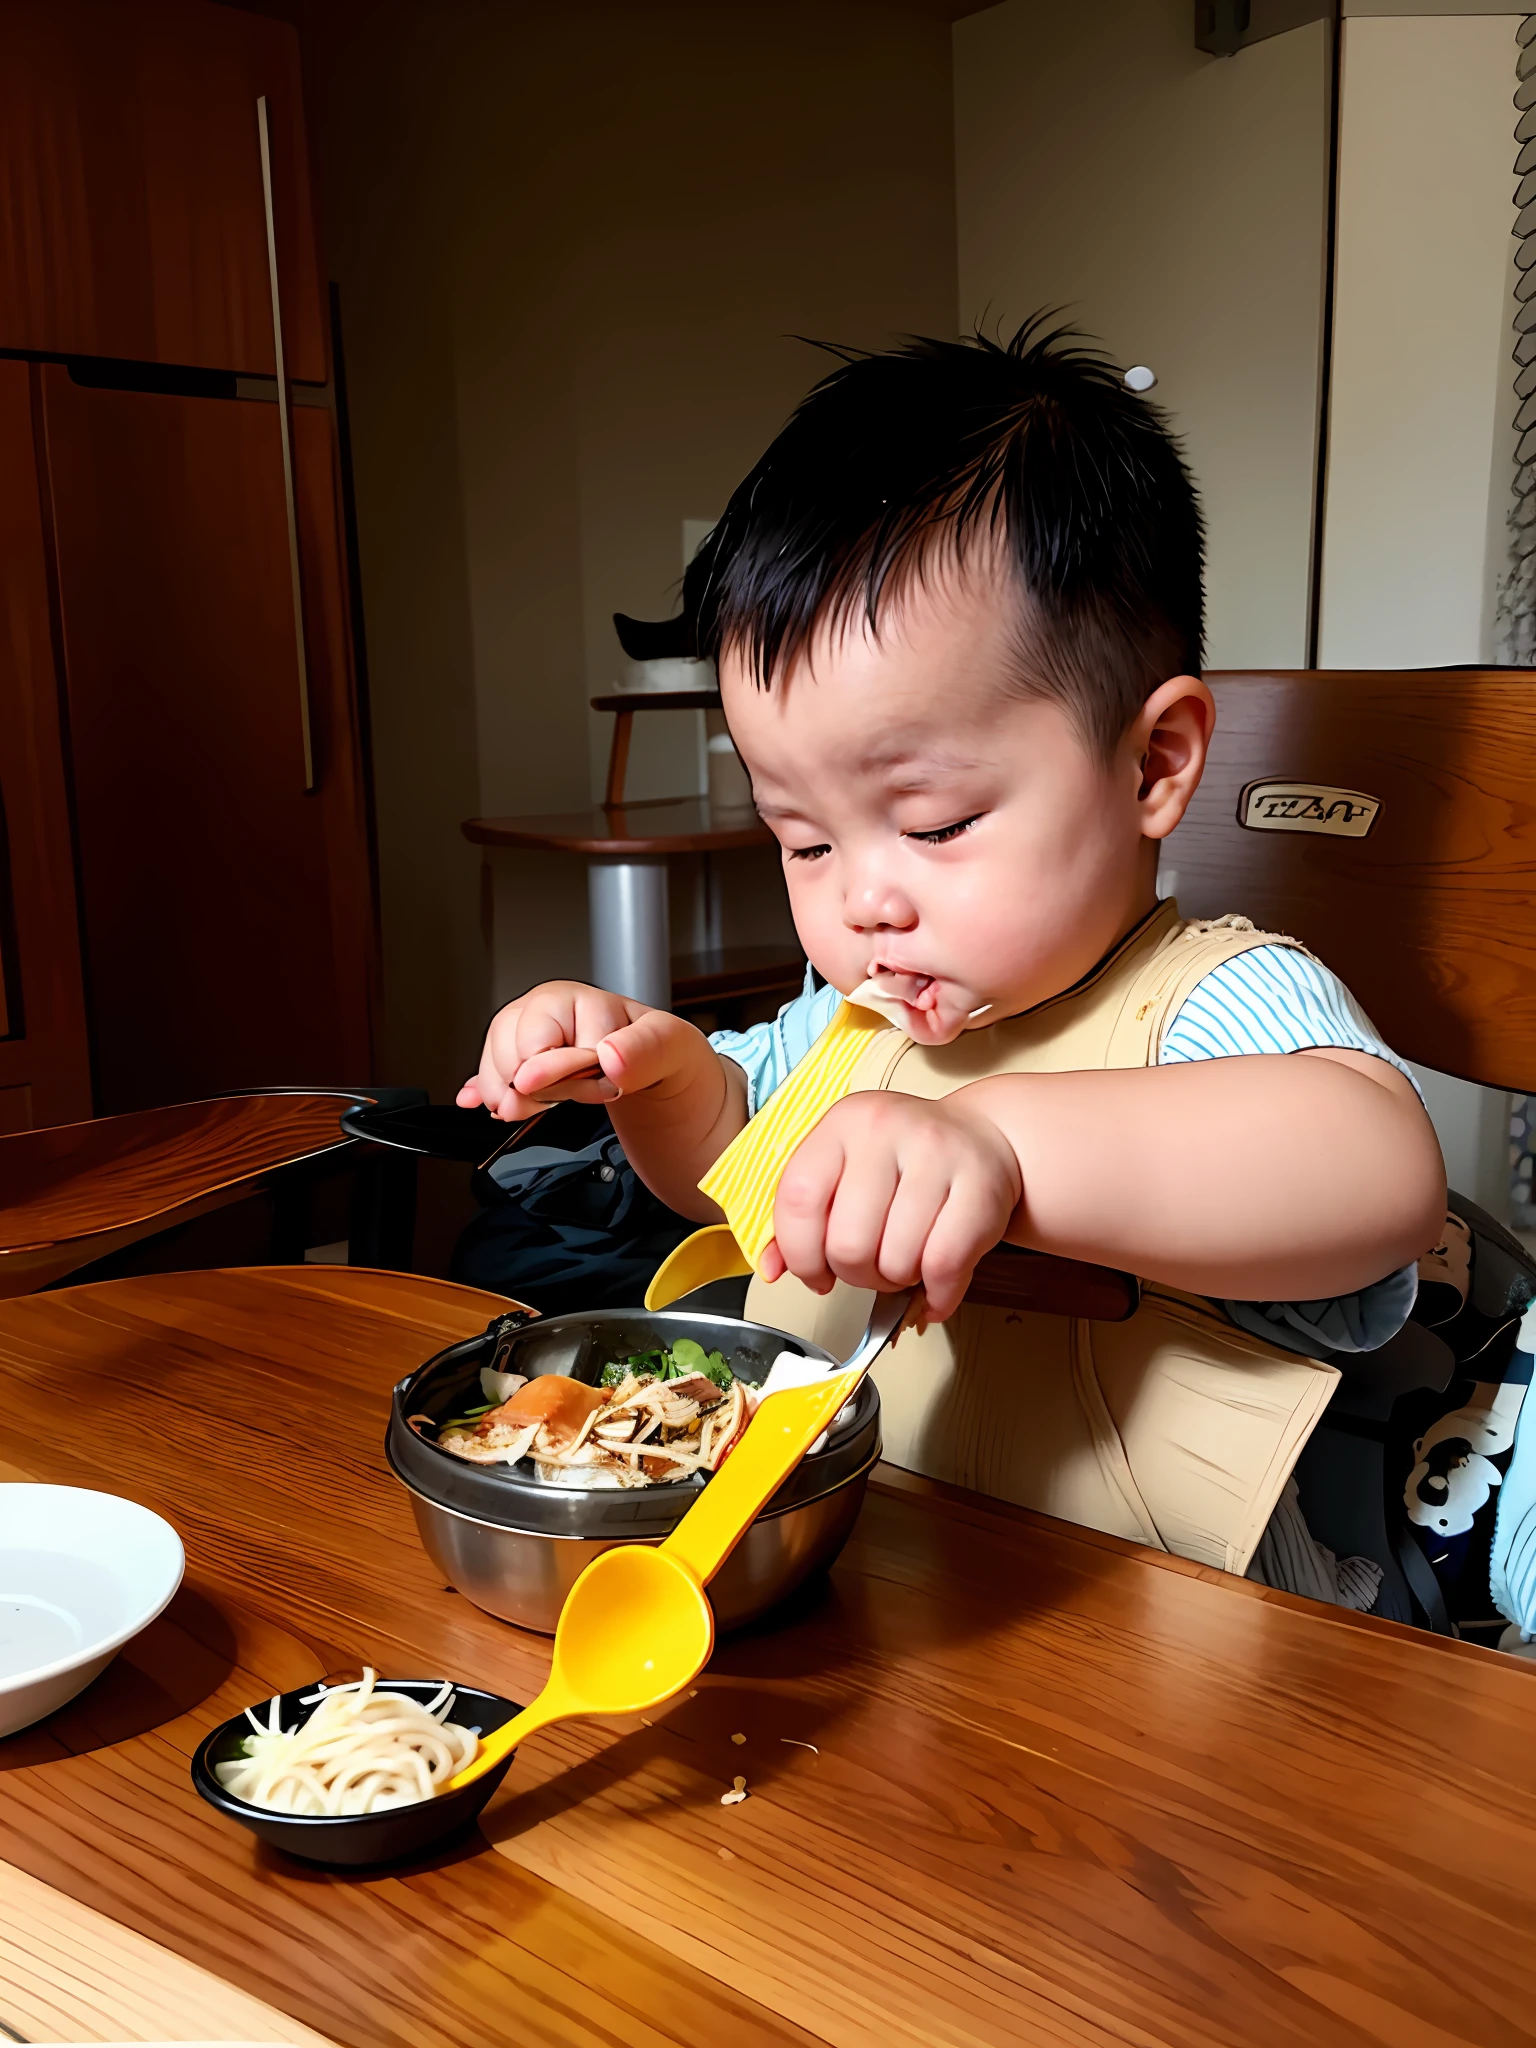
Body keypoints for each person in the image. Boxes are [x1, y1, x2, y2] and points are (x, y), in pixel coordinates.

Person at [459, 317, 1445, 1580]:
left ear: (1153, 762)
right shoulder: (853, 1022)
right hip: (885, 1608)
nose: (865, 900)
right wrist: (659, 1080)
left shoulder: (1211, 1002)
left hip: (1172, 1682)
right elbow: (736, 1175)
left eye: (934, 823)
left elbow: (1373, 1169)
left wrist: (998, 1141)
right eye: (803, 841)